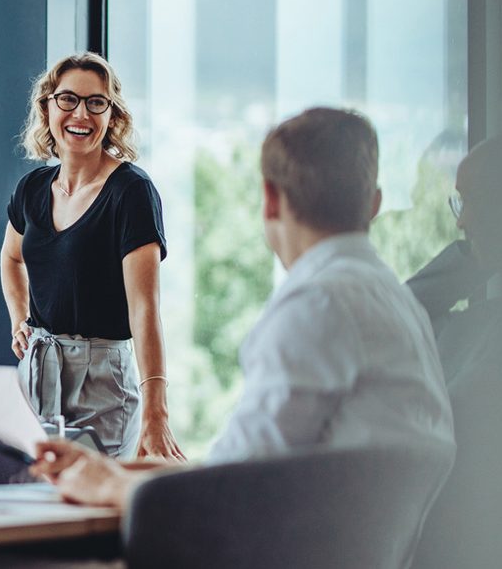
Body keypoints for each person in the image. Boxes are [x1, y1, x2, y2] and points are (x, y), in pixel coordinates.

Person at [31, 108, 455, 508]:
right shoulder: (396, 301)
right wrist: (115, 470)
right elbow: (249, 465)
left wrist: (106, 484)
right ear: (374, 204)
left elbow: (230, 493)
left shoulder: (316, 306)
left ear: (270, 199)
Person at [1, 52, 183, 460]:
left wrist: (157, 411)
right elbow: (11, 258)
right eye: (68, 99)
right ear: (47, 107)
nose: (80, 113)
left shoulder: (131, 192)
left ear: (111, 115)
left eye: (95, 102)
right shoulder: (31, 188)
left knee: (92, 512)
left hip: (102, 380)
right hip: (36, 372)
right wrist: (19, 319)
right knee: (30, 505)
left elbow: (145, 309)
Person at [409, 134, 502, 569]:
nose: (461, 223)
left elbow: (447, 421)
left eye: (472, 204)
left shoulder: (487, 334)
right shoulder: (478, 321)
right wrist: (473, 256)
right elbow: (403, 316)